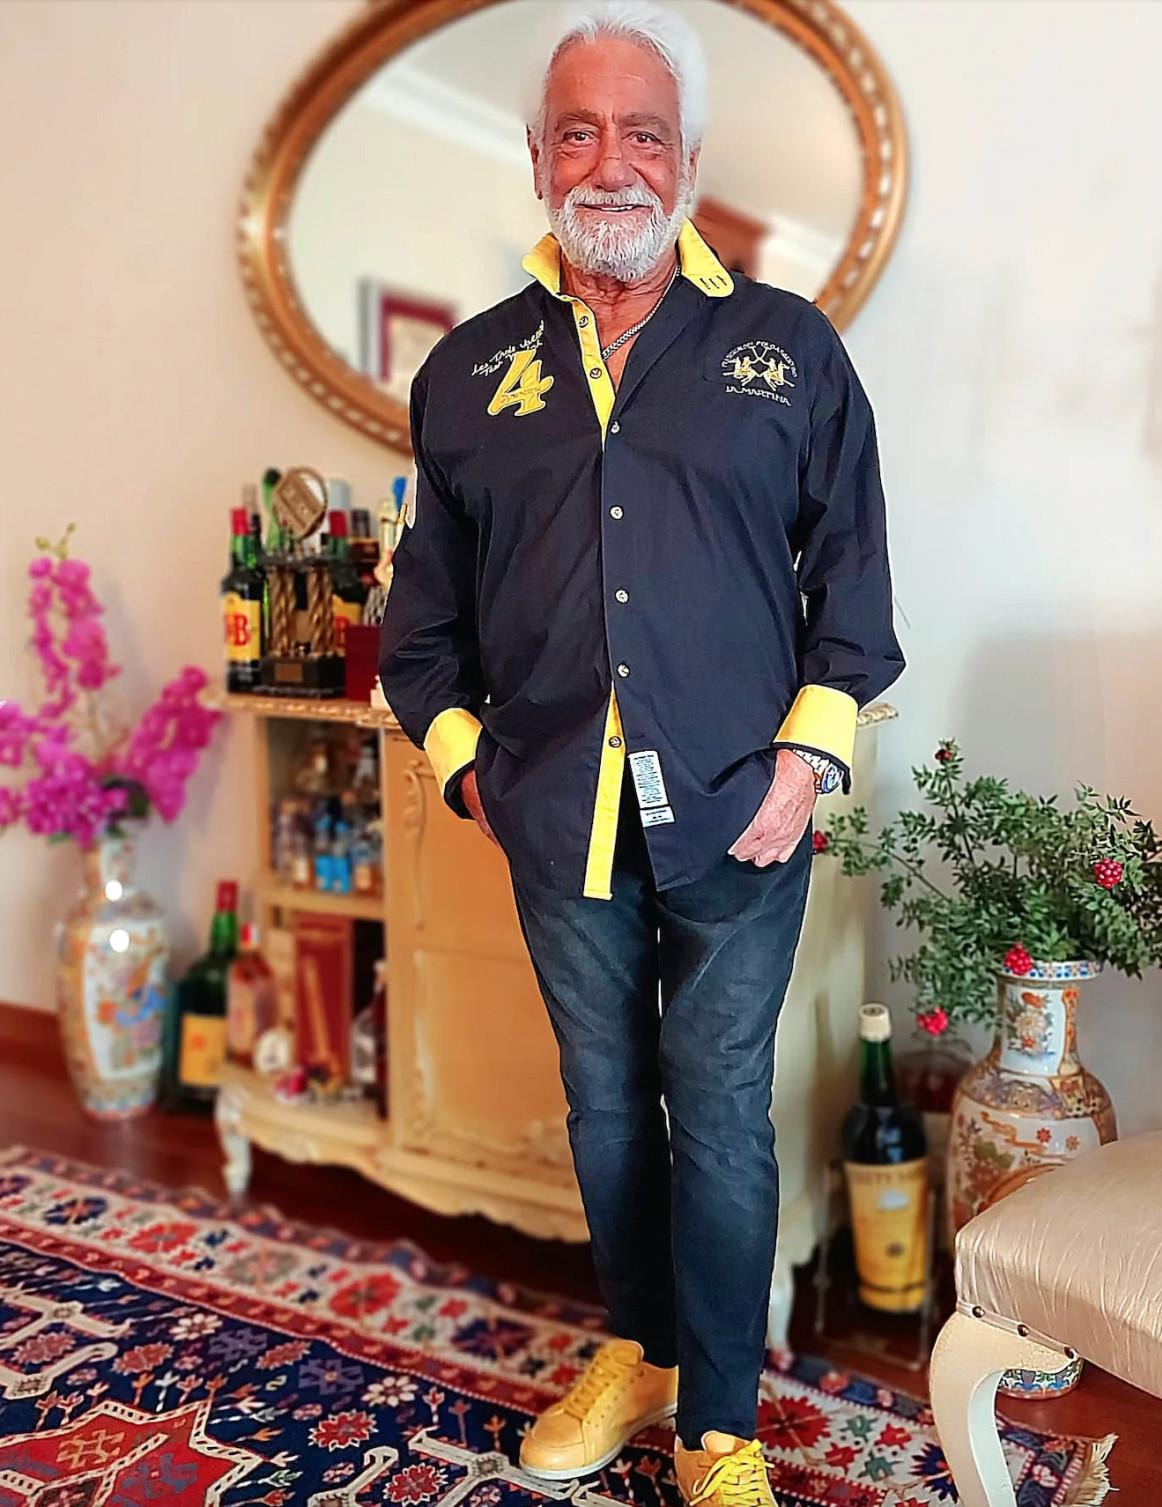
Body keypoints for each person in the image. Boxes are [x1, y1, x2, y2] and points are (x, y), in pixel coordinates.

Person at [378, 2, 905, 1502]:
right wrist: (475, 772)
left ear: (688, 159)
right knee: (606, 1105)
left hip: (744, 813)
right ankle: (641, 1347)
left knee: (719, 1112)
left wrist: (806, 766)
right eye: (580, 132)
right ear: (539, 155)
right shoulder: (468, 372)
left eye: (643, 132)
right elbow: (423, 634)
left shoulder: (786, 349)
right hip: (556, 818)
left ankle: (718, 1422)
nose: (611, 161)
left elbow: (853, 589)